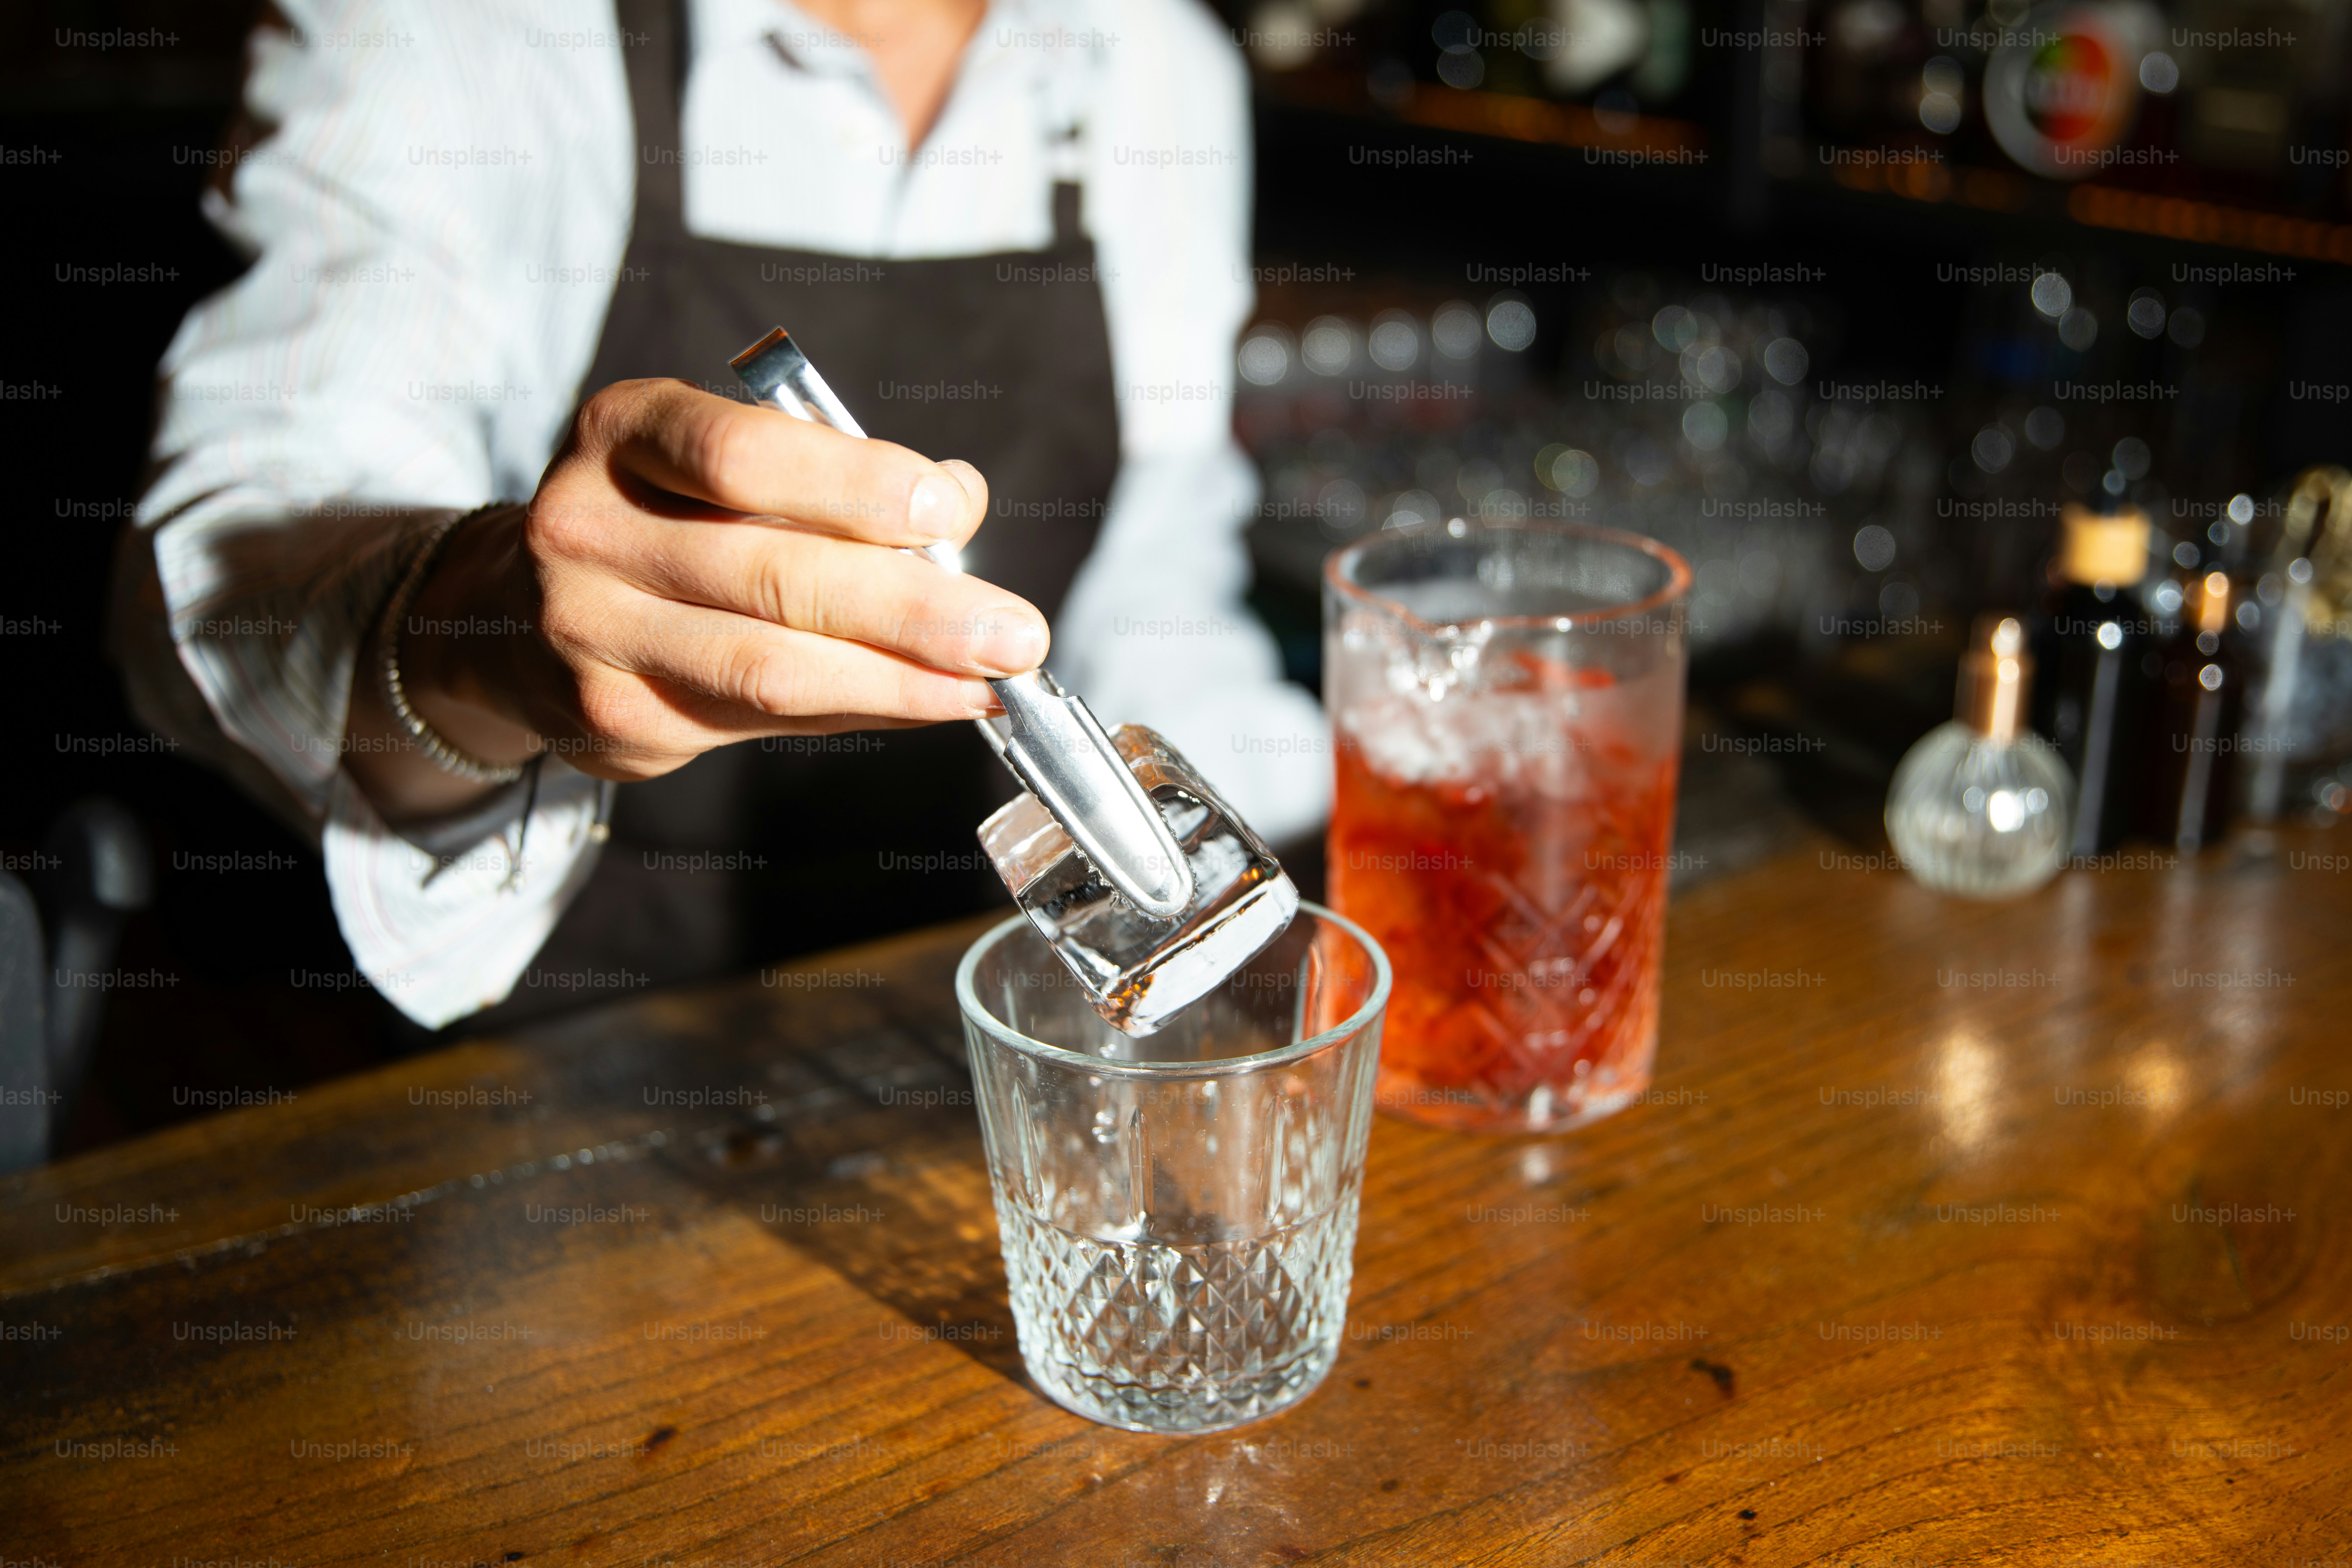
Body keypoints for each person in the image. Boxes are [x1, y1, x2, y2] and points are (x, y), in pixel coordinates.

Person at [112, 0, 1327, 1030]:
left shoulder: (1161, 63)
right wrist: (474, 629)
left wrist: (1377, 829)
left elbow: (1154, 602)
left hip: (969, 1031)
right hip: (546, 1037)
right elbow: (218, 557)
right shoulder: (450, 32)